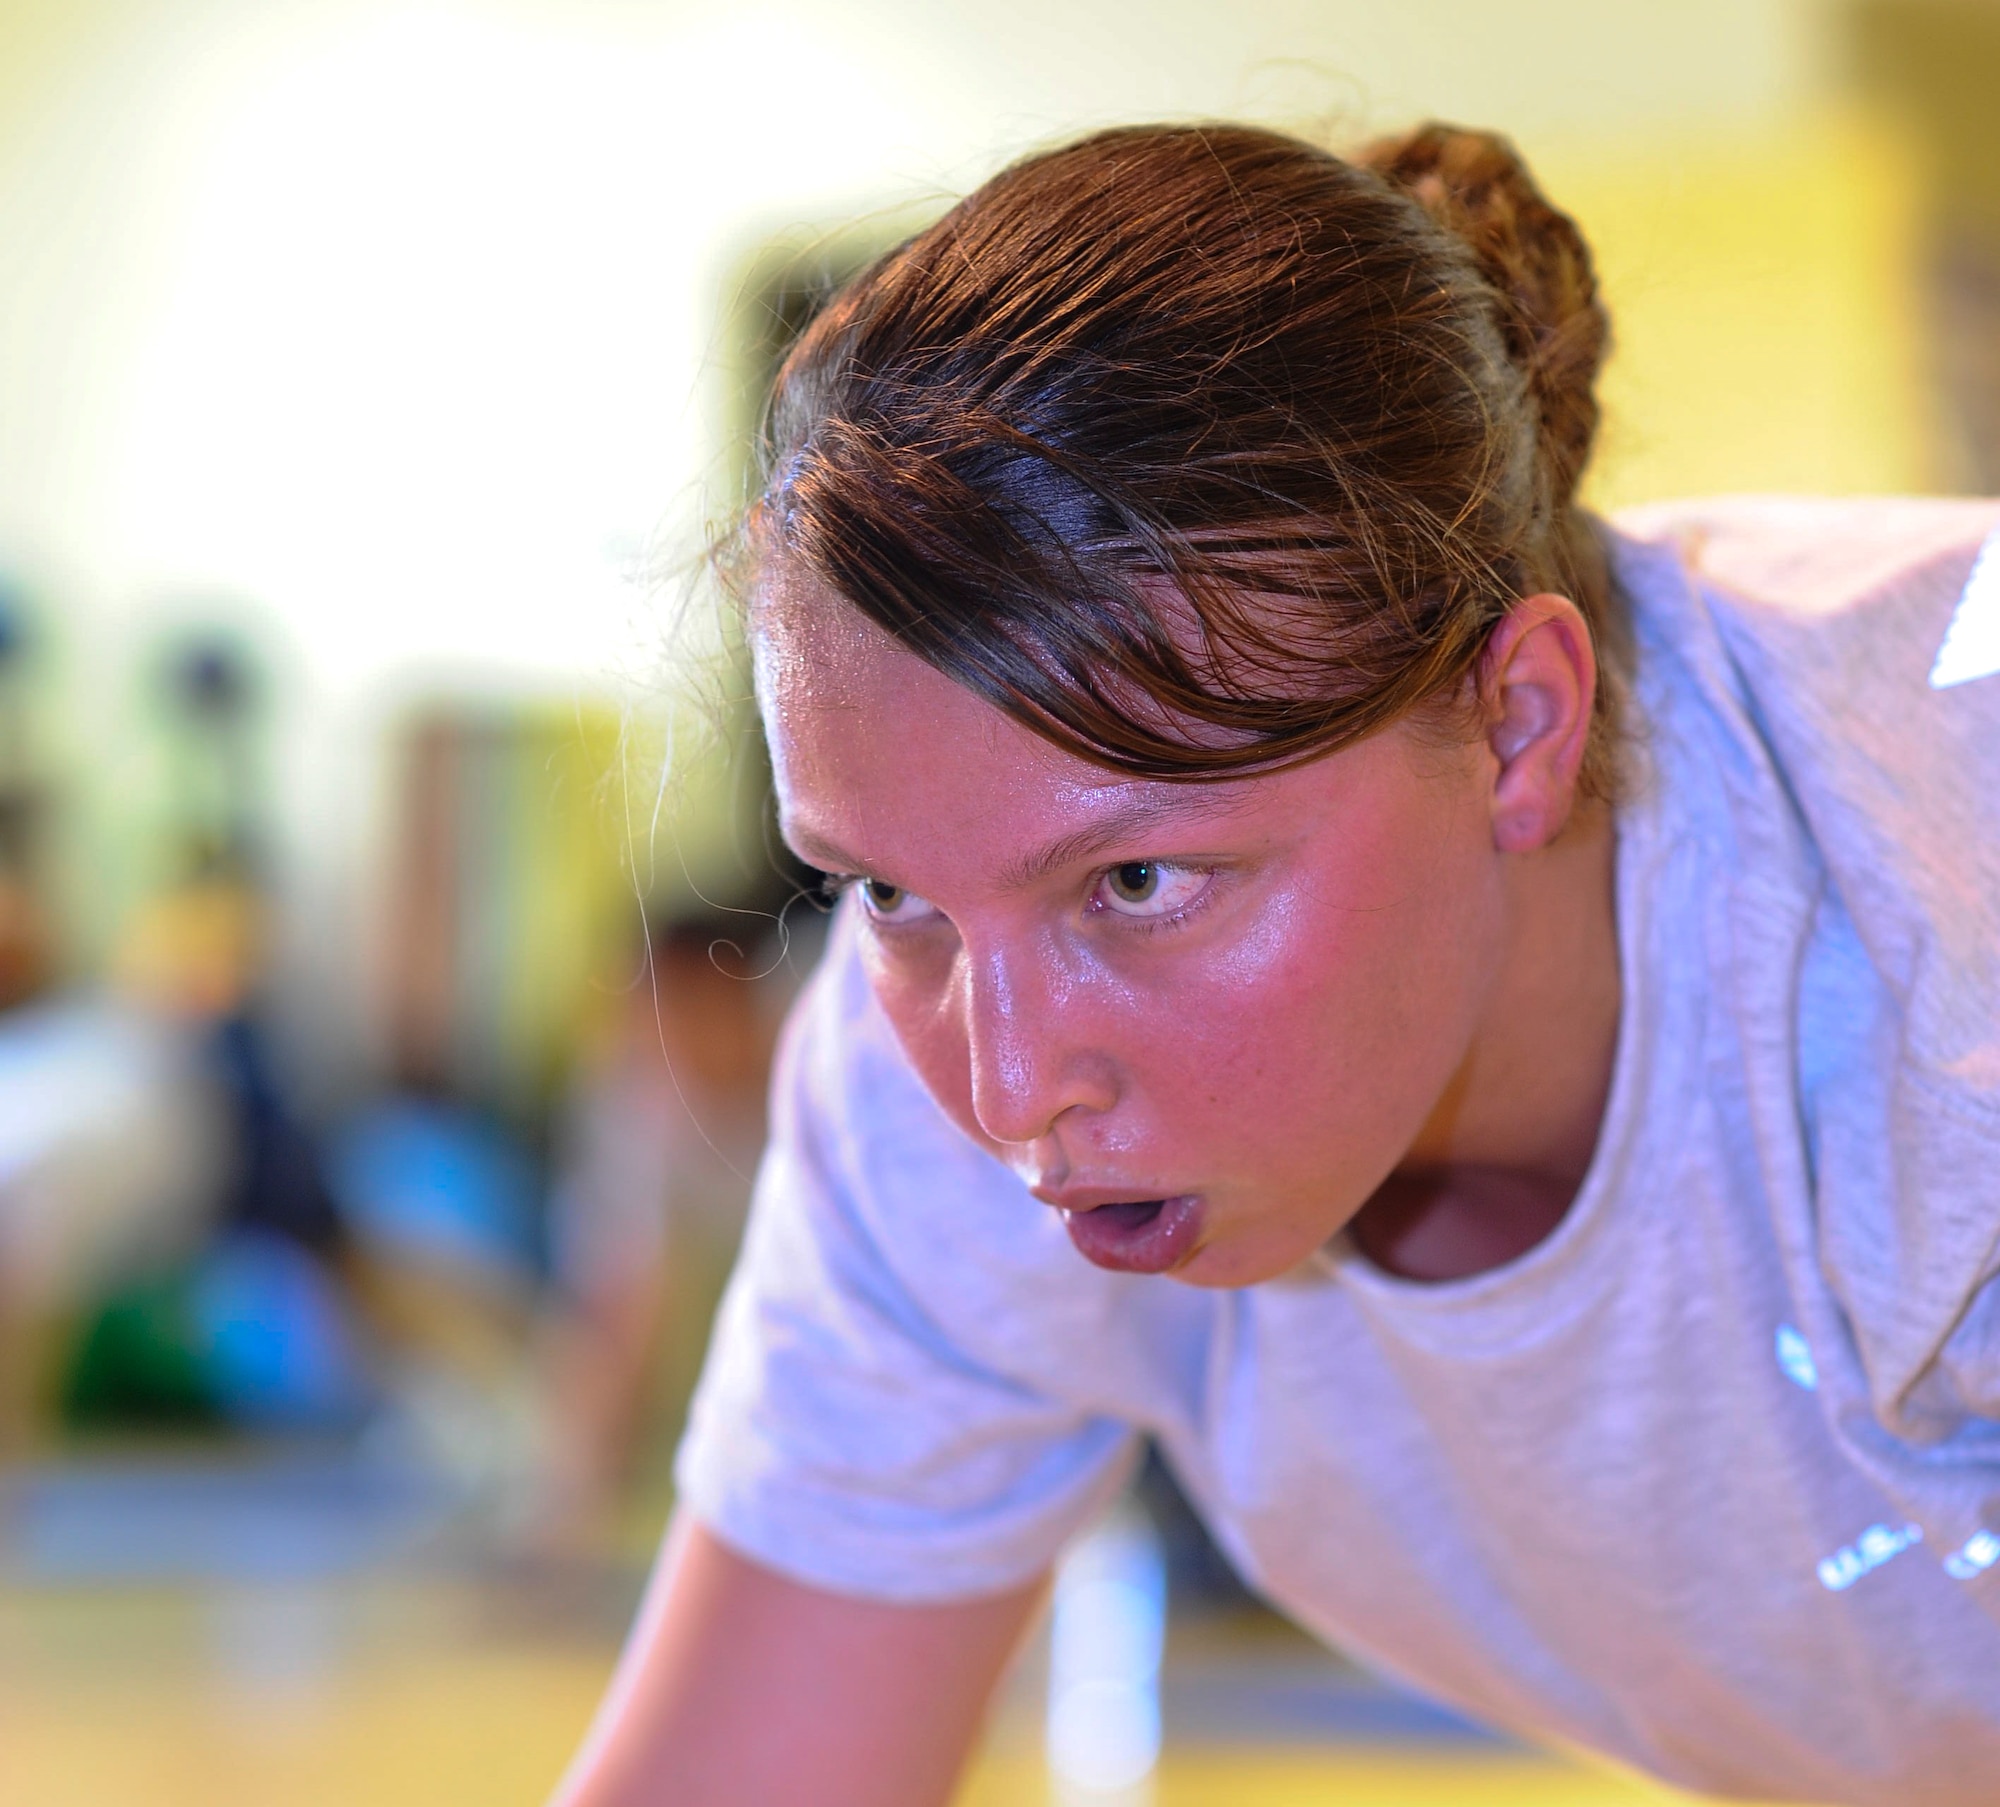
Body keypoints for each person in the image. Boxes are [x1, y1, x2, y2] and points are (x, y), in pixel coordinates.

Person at [551, 122, 2000, 1807]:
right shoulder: (926, 1096)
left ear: (1519, 725)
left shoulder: (1937, 903)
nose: (1012, 1089)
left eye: (1142, 880)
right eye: (888, 896)